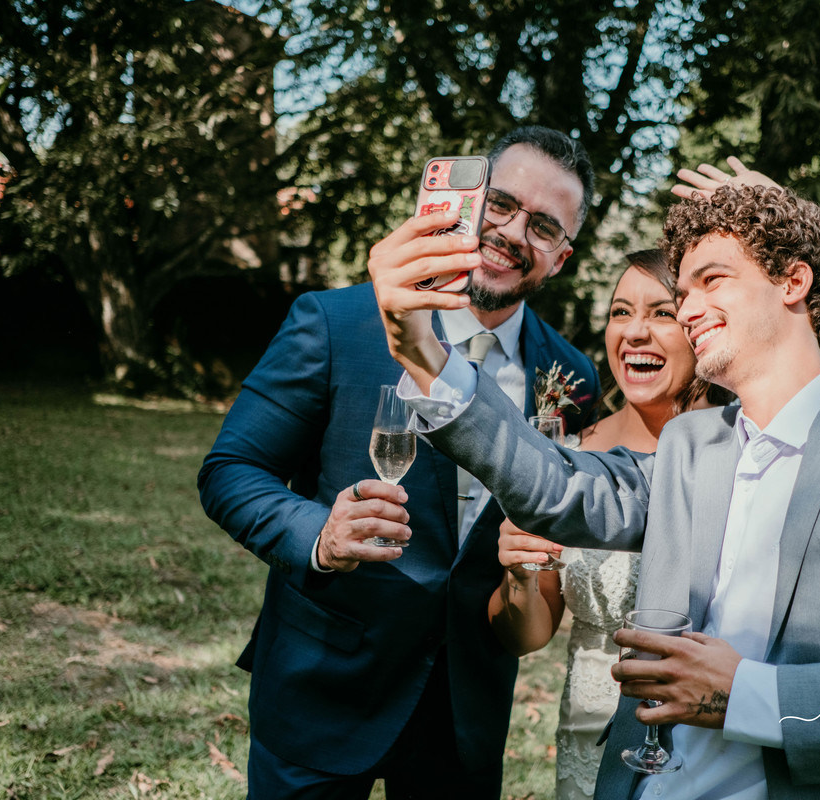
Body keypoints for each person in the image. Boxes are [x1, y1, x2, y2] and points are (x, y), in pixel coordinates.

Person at [369, 183, 820, 800]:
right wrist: (419, 348)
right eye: (685, 290)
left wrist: (753, 698)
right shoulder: (689, 448)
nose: (688, 306)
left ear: (793, 282)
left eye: (711, 280)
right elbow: (553, 483)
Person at [197, 125, 601, 799]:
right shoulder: (333, 321)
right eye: (499, 204)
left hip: (464, 708)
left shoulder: (572, 375)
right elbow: (231, 469)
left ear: (560, 257)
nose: (510, 232)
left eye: (542, 225)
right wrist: (320, 535)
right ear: (468, 203)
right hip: (322, 684)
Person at [490, 178, 820, 800]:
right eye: (619, 313)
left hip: (720, 739)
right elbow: (526, 635)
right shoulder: (571, 456)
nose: (635, 332)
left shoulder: (765, 433)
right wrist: (519, 575)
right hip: (589, 744)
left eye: (662, 312)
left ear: (701, 322)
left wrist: (779, 215)